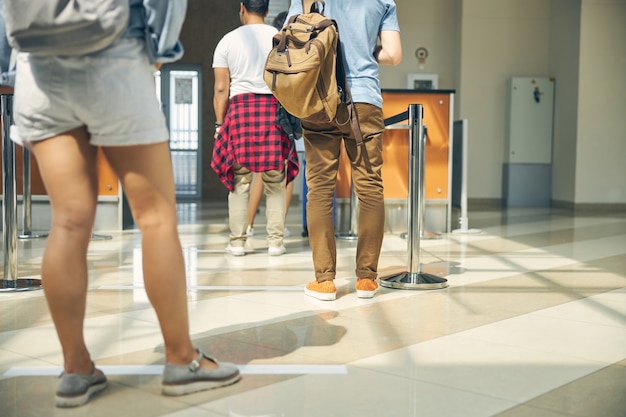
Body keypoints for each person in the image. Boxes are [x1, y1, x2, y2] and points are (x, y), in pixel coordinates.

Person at [6, 0, 240, 407]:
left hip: (37, 66)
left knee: (68, 222)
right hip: (115, 55)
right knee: (156, 218)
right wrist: (158, 51)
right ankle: (182, 360)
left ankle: (76, 369)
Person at [286, 0, 402, 300]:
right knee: (370, 187)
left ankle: (324, 281)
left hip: (319, 100)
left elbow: (291, 41)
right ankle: (366, 279)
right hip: (365, 100)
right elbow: (393, 54)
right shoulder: (382, 1)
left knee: (320, 189)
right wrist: (363, 51)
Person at [211, 0, 299, 257]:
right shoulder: (279, 38)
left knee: (240, 182)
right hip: (274, 111)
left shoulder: (227, 41)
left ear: (242, 8)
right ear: (267, 10)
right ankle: (275, 242)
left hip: (240, 112)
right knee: (275, 180)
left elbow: (220, 89)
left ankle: (237, 242)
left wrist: (220, 124)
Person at [246, 10, 296, 239]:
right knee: (284, 172)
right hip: (282, 112)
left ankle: (247, 224)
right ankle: (278, 227)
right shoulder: (289, 48)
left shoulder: (264, 46)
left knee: (259, 172)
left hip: (258, 109)